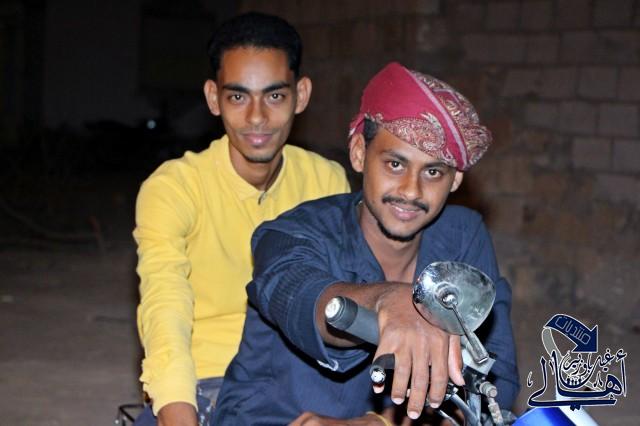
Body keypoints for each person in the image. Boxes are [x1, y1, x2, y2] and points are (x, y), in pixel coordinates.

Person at [212, 62, 520, 425]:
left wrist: (380, 422)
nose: (411, 191)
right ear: (359, 152)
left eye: (433, 172)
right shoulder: (291, 234)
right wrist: (390, 301)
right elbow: (309, 301)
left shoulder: (462, 237)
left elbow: (493, 384)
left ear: (454, 181)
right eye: (395, 164)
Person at [132, 12, 350, 426]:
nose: (256, 117)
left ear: (301, 95)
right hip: (203, 383)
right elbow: (164, 307)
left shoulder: (325, 182)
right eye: (238, 97)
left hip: (299, 383)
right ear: (213, 98)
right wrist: (178, 412)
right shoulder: (174, 188)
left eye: (274, 96)